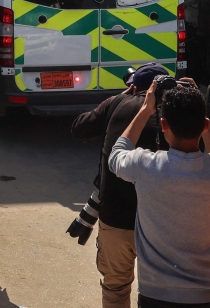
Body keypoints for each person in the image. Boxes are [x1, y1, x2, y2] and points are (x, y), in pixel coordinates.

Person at [109, 83, 210, 308]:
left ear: (163, 124)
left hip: (155, 294)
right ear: (205, 124)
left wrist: (146, 109)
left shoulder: (145, 165)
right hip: (206, 296)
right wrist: (205, 124)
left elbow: (116, 154)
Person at [71, 63, 170, 308]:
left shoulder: (117, 104)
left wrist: (114, 101)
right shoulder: (177, 112)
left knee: (115, 286)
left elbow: (79, 128)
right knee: (162, 291)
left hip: (116, 218)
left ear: (134, 87)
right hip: (162, 222)